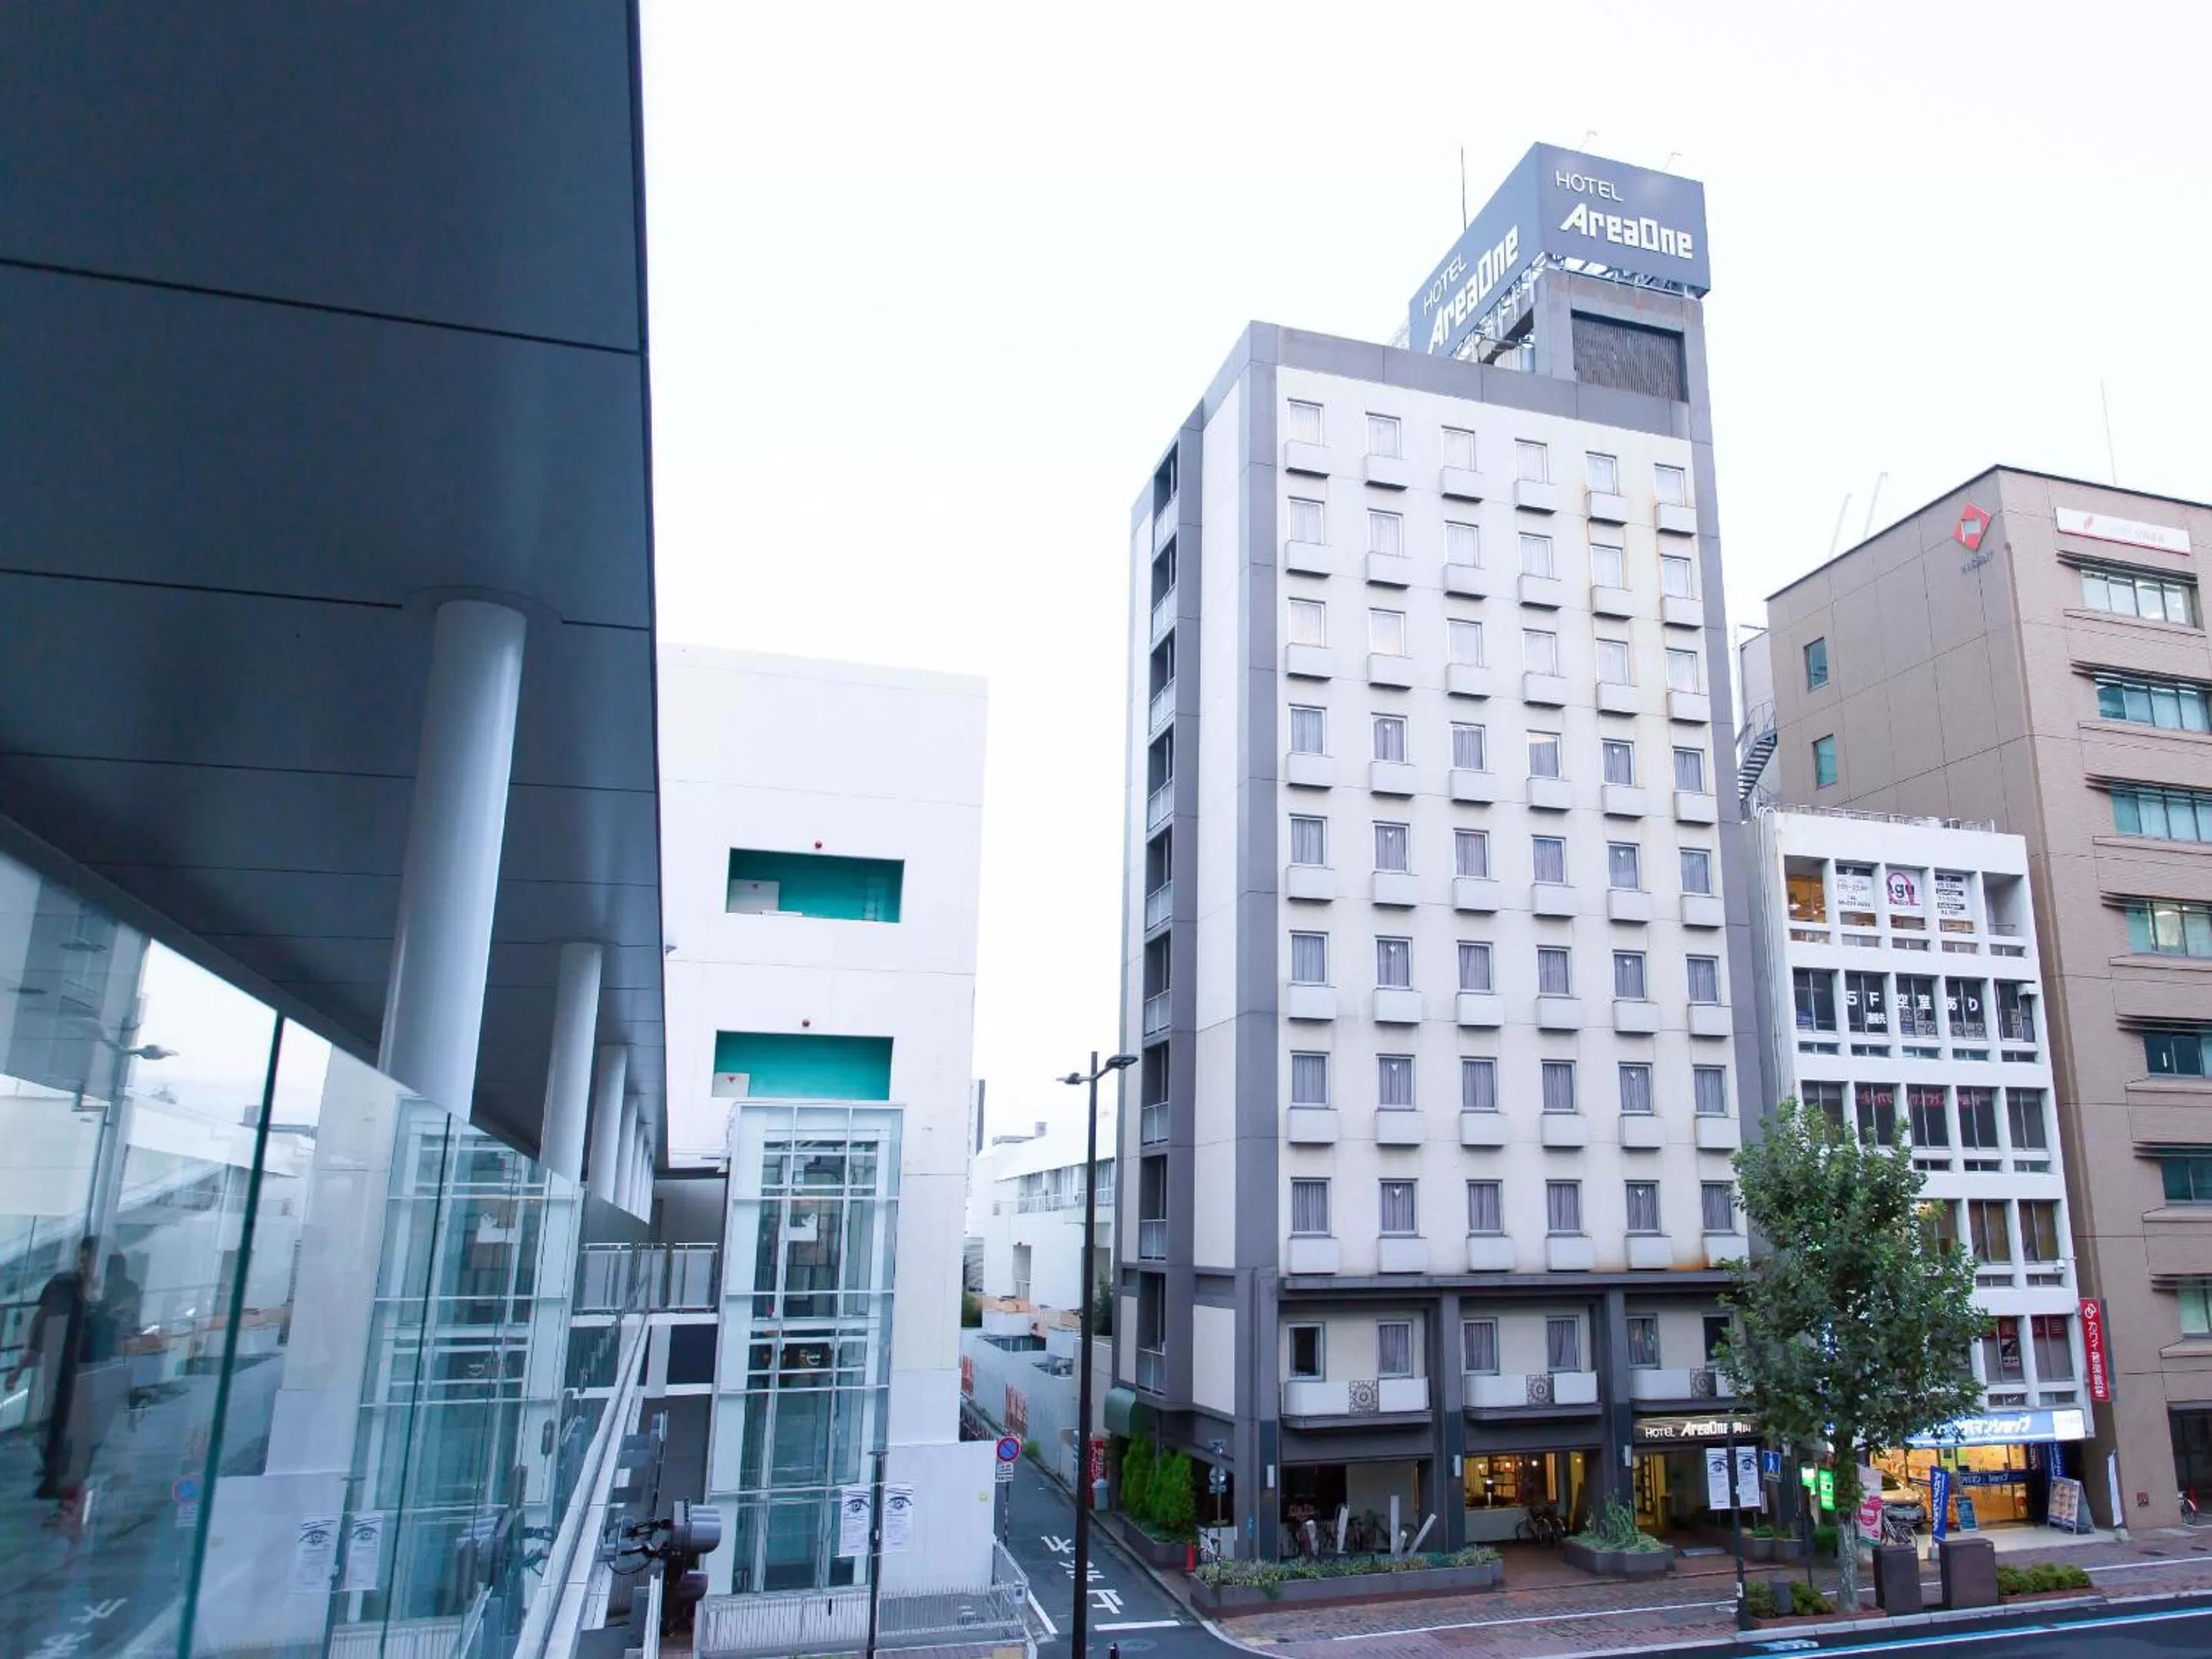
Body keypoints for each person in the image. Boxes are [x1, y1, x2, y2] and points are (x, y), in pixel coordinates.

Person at [8, 1237, 96, 1499]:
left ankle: (60, 1471)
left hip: (81, 1365)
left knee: (68, 1418)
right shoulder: (64, 1286)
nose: (83, 1265)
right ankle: (55, 1472)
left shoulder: (93, 1291)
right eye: (82, 1259)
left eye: (87, 1259)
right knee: (56, 1416)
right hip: (62, 1364)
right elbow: (41, 1322)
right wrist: (22, 1366)